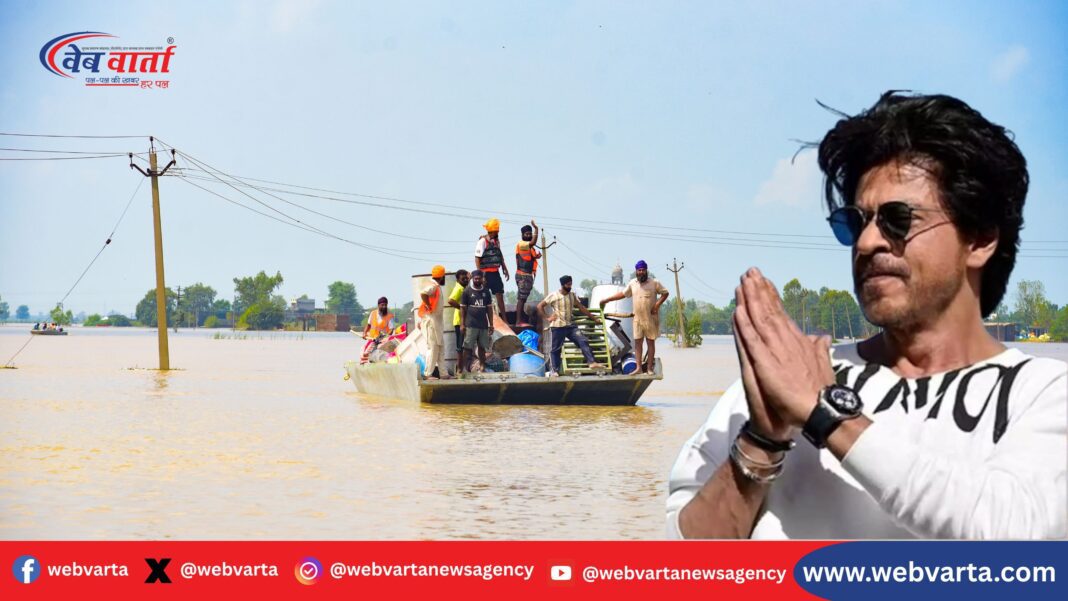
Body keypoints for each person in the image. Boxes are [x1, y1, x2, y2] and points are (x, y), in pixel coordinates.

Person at [667, 91, 1067, 540]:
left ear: (979, 240)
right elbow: (678, 564)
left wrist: (828, 413)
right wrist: (763, 438)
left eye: (898, 219)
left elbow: (1019, 537)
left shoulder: (1043, 394)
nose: (867, 242)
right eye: (856, 222)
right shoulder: (785, 382)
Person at [599, 260, 669, 374]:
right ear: (636, 271)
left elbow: (665, 293)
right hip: (637, 319)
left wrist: (657, 305)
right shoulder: (633, 283)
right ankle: (638, 368)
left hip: (650, 318)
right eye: (639, 270)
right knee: (638, 343)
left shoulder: (654, 282)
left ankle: (649, 368)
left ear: (646, 270)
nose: (641, 272)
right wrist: (607, 299)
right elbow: (623, 294)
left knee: (650, 343)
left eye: (643, 270)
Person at [538, 275, 605, 376]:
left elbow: (581, 307)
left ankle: (591, 362)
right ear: (562, 285)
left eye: (571, 284)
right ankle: (554, 371)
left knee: (583, 340)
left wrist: (594, 318)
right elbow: (540, 306)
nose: (570, 287)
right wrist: (548, 318)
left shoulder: (572, 295)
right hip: (558, 326)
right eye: (568, 285)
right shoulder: (553, 295)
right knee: (556, 349)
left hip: (570, 326)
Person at [418, 265, 451, 380]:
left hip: (437, 322)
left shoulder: (436, 286)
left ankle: (443, 373)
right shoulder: (433, 286)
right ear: (442, 276)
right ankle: (428, 374)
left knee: (440, 348)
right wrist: (428, 305)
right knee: (432, 348)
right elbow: (423, 293)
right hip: (431, 321)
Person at [475, 218, 509, 322]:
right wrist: (481, 275)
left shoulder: (496, 241)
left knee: (500, 295)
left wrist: (504, 268)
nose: (498, 232)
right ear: (492, 231)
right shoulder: (482, 241)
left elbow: (499, 254)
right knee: (484, 296)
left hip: (495, 272)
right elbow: (477, 258)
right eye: (497, 231)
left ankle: (504, 319)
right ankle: (483, 320)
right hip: (485, 273)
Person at [460, 269, 494, 374]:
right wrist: (462, 324)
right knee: (467, 348)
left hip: (483, 325)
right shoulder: (467, 291)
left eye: (479, 278)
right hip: (470, 324)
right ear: (472, 279)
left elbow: (489, 309)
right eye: (475, 279)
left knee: (482, 347)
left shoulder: (486, 292)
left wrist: (491, 324)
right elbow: (462, 309)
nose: (477, 280)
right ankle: (461, 369)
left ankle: (482, 367)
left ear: (482, 279)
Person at [514, 220, 542, 327]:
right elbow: (533, 242)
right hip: (523, 275)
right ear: (522, 235)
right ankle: (518, 321)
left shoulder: (530, 248)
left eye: (530, 234)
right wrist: (536, 229)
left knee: (523, 298)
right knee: (521, 299)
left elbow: (528, 258)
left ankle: (520, 319)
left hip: (527, 276)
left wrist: (536, 256)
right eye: (527, 234)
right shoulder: (522, 244)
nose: (529, 235)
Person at [446, 269, 471, 372]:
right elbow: (450, 300)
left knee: (466, 346)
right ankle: (459, 370)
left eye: (466, 278)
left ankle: (463, 368)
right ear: (457, 280)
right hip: (459, 321)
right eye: (463, 279)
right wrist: (462, 307)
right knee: (460, 347)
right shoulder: (459, 288)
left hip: (465, 321)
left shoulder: (464, 287)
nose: (465, 280)